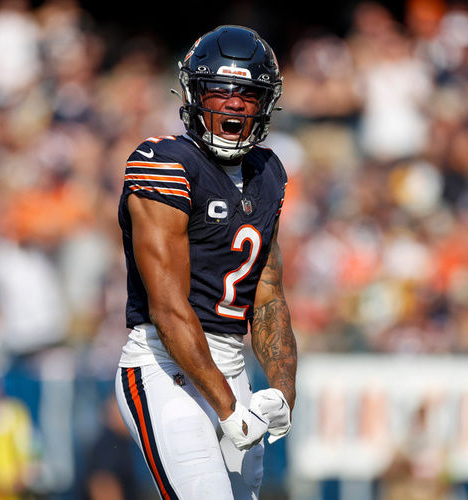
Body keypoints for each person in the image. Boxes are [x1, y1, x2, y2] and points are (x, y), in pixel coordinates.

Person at [115, 25, 297, 499]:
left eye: (248, 94)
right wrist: (227, 408)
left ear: (265, 103)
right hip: (166, 366)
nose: (233, 103)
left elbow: (269, 294)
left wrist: (280, 392)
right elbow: (169, 309)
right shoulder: (165, 162)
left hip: (233, 367)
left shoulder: (268, 172)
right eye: (219, 90)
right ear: (195, 94)